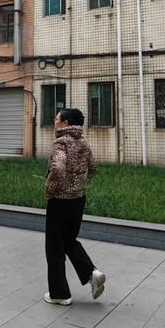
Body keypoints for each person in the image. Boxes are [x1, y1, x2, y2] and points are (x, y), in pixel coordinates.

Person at [43, 108, 106, 305]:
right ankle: (91, 273)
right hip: (79, 199)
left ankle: (60, 294)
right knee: (69, 240)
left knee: (54, 248)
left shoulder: (61, 143)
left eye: (57, 119)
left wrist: (49, 188)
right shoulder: (83, 142)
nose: (54, 121)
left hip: (60, 201)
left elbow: (58, 167)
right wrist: (78, 183)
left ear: (66, 123)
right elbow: (93, 168)